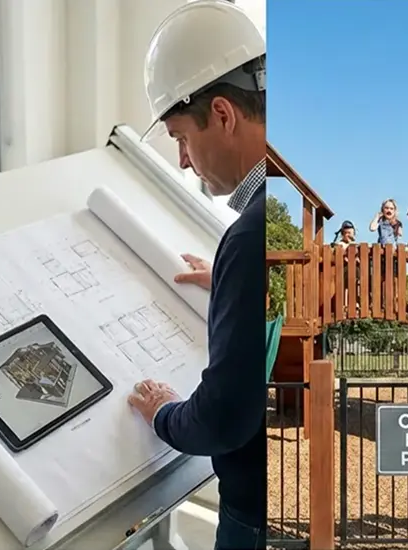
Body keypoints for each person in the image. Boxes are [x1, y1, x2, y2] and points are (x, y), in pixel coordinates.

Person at [128, 2, 267, 548]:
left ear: (225, 115)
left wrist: (163, 413)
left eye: (182, 138)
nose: (184, 161)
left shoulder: (252, 237)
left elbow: (223, 419)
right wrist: (239, 285)